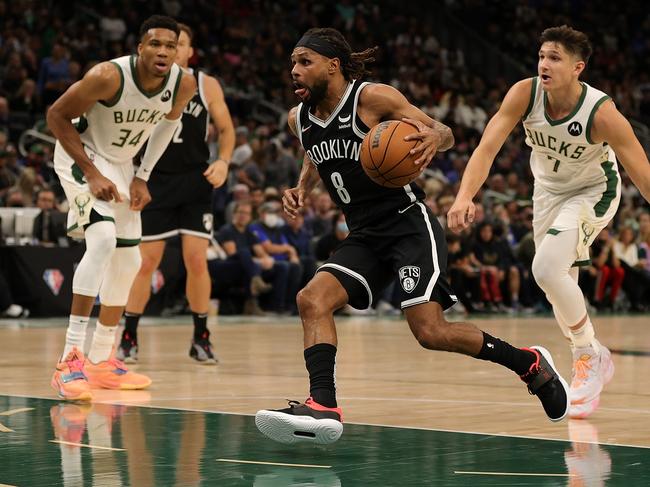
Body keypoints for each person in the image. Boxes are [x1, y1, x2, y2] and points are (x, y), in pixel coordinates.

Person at [255, 27, 570, 445]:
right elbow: (315, 157)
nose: (294, 70)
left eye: (304, 62)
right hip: (364, 233)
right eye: (293, 62)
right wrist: (301, 188)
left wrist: (435, 137)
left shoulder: (373, 99)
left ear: (332, 66)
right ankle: (323, 405)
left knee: (431, 332)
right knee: (311, 299)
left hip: (407, 224)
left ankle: (529, 363)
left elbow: (442, 132)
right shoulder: (299, 119)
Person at [448, 26, 650, 418]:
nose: (544, 64)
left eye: (554, 58)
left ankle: (588, 353)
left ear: (578, 68)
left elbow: (642, 174)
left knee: (545, 268)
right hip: (547, 192)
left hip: (594, 190)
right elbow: (487, 146)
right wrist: (463, 194)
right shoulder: (524, 93)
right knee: (559, 284)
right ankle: (590, 357)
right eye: (541, 55)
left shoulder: (602, 113)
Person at [47, 15, 197, 401]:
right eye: (155, 44)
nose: (163, 51)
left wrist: (142, 176)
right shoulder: (107, 77)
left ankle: (101, 360)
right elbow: (56, 116)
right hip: (82, 156)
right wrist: (92, 172)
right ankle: (69, 360)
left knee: (130, 262)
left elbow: (166, 126)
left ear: (179, 50)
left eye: (170, 45)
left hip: (122, 163)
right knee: (101, 242)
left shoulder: (183, 83)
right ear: (140, 47)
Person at [117, 23, 235, 364]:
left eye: (179, 44)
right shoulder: (146, 80)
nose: (171, 49)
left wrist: (224, 161)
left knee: (197, 259)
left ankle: (201, 337)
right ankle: (129, 335)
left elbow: (226, 129)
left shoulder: (205, 83)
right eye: (165, 43)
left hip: (194, 181)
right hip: (153, 179)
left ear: (188, 51)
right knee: (146, 262)